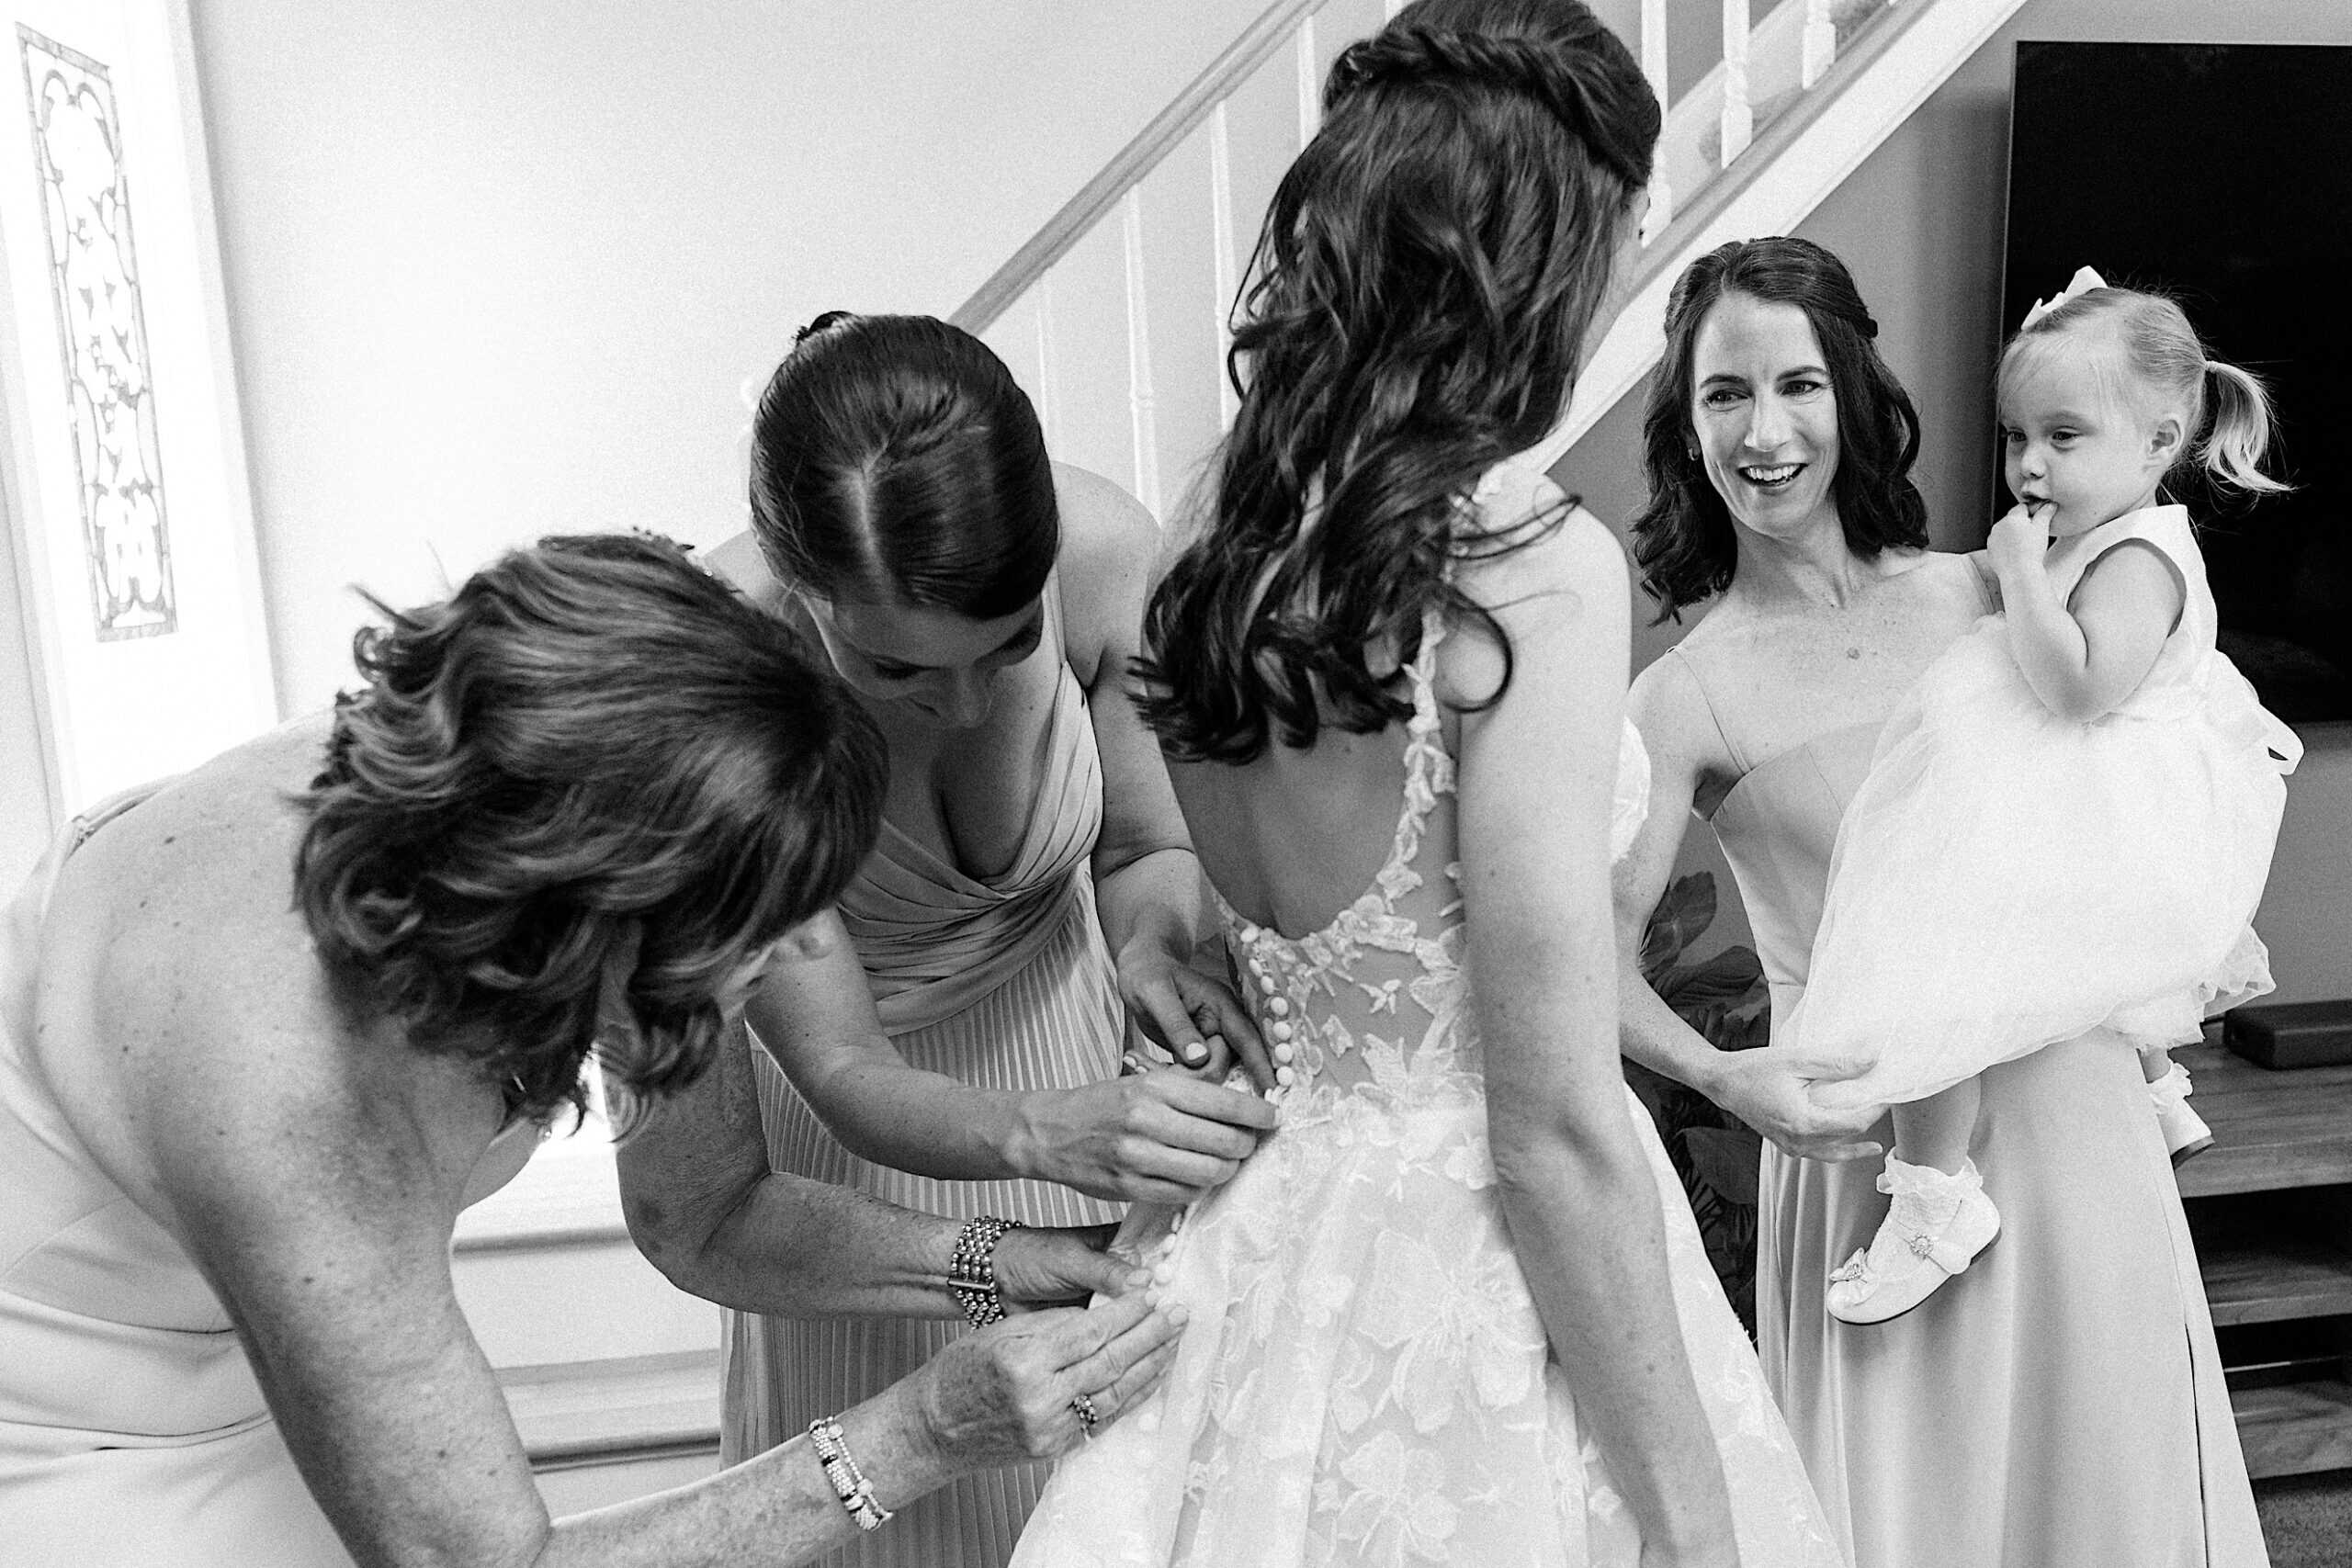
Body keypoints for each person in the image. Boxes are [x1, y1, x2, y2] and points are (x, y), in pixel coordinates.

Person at [1008, 6, 1843, 1564]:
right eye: (1605, 247)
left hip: (1258, 1236)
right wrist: (1693, 1521)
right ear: (1526, 268)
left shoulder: (1212, 554)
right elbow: (1549, 1127)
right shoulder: (1527, 575)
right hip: (1472, 1286)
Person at [0, 534, 1182, 1568]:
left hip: (271, 1318)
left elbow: (705, 1212)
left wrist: (997, 1258)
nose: (793, 960)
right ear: (599, 926)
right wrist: (920, 1432)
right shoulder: (298, 1102)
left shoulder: (564, 786)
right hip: (63, 1411)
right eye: (760, 939)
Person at [1615, 236, 2269, 1566]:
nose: (1765, 429)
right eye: (1722, 395)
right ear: (1686, 431)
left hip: (2075, 1128)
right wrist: (1730, 1080)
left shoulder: (1997, 583)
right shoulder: (1679, 693)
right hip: (1880, 1168)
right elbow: (1576, 959)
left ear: (1853, 393)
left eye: (1797, 382)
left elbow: (2163, 755)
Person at [689, 311, 1278, 1568]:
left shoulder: (1112, 552)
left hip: (1101, 1102)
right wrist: (1038, 1129)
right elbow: (843, 1065)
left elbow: (1141, 849)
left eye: (1008, 644)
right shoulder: (720, 670)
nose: (959, 701)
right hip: (866, 1168)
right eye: (895, 667)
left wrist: (1157, 951)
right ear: (805, 594)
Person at [1757, 267, 2301, 1324]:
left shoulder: (2142, 554)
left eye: (2063, 436)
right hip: (2084, 796)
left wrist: (2018, 576)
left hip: (2102, 801)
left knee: (1924, 966)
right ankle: (2156, 1089)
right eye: (2015, 438)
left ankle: (1934, 1200)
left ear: (2156, 444)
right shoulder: (2113, 534)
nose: (2029, 464)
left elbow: (2080, 685)